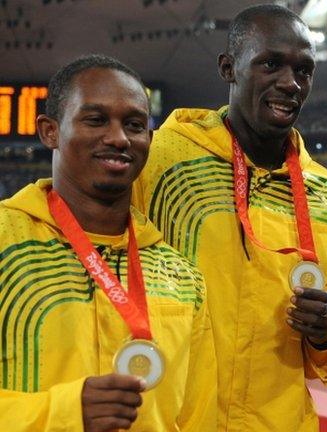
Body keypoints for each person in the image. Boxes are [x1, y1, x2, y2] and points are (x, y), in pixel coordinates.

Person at [132, 5, 327, 431]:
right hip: (176, 420)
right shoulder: (160, 161)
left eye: (304, 70)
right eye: (271, 64)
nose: (290, 83)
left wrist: (324, 334)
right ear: (228, 68)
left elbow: (321, 363)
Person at [0, 54, 216, 431]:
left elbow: (198, 417)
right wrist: (64, 412)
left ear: (148, 139)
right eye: (95, 119)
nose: (118, 138)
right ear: (50, 131)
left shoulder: (182, 277)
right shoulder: (6, 243)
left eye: (134, 124)